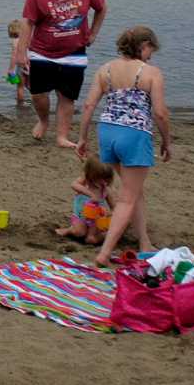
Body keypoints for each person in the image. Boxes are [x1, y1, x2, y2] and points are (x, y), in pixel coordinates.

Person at [72, 25, 170, 267]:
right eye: (150, 50)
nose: (151, 55)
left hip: (108, 133)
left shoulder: (105, 70)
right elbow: (160, 113)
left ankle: (144, 242)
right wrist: (167, 141)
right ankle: (105, 253)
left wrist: (82, 138)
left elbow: (88, 106)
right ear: (144, 46)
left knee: (134, 191)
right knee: (127, 197)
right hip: (134, 135)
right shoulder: (151, 73)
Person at [16, 0, 106, 147]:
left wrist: (93, 33)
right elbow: (27, 23)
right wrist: (21, 53)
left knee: (67, 96)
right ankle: (43, 121)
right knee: (38, 94)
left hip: (74, 53)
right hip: (41, 52)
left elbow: (101, 7)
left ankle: (61, 137)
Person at [55, 156, 118, 245]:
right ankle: (69, 230)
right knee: (79, 232)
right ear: (91, 175)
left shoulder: (105, 189)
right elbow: (73, 185)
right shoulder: (84, 183)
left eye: (106, 178)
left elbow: (114, 208)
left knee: (91, 240)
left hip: (97, 222)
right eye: (101, 178)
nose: (104, 182)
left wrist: (109, 213)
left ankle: (102, 237)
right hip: (81, 218)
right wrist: (91, 194)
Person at [5, 19, 30, 107]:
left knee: (20, 87)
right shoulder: (27, 39)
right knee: (31, 87)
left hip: (21, 66)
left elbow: (14, 56)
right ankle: (37, 103)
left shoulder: (15, 41)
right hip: (30, 65)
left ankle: (20, 104)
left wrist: (11, 69)